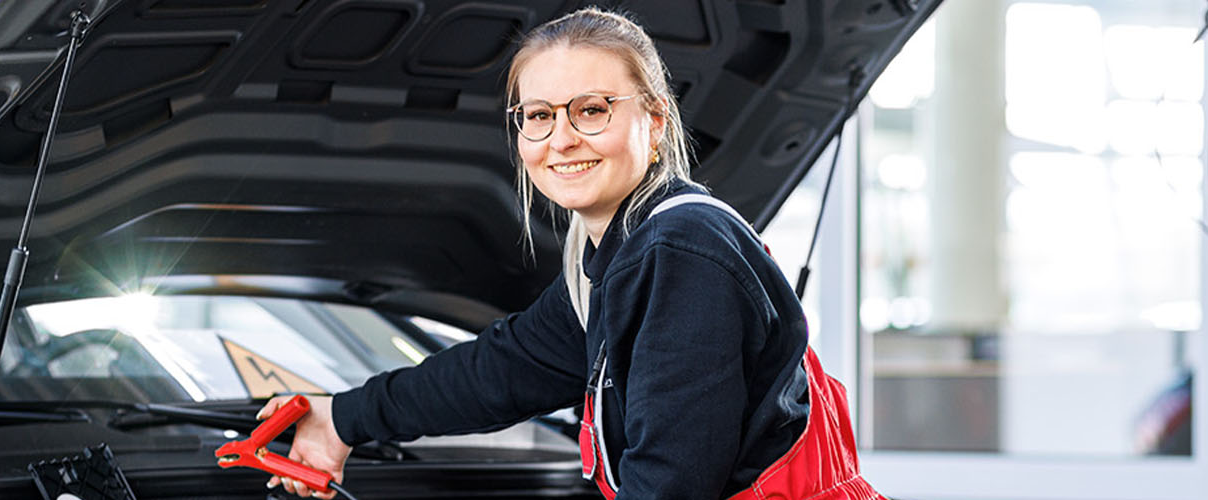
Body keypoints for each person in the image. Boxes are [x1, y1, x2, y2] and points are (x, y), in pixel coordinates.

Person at [258, 8, 876, 499]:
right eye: (539, 115)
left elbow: (670, 482)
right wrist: (342, 418)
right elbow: (502, 371)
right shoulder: (609, 253)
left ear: (655, 123)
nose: (562, 139)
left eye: (592, 110)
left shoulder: (681, 250)